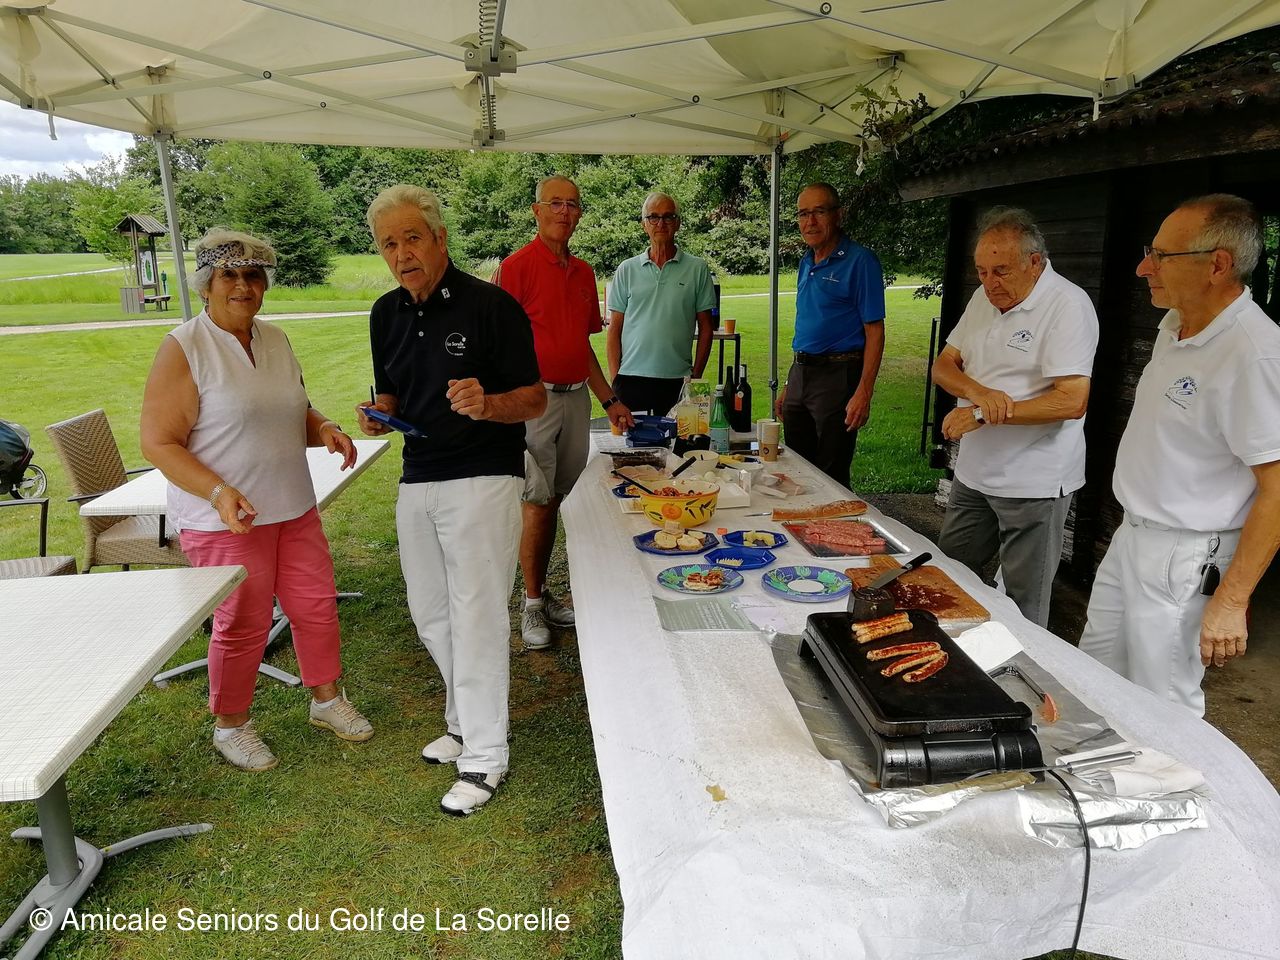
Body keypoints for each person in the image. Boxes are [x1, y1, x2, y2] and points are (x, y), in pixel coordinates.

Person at [140, 228, 373, 772]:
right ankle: (231, 725)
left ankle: (326, 700)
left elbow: (294, 408)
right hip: (225, 520)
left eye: (253, 275)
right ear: (206, 284)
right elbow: (158, 442)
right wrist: (217, 491)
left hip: (292, 505)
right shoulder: (185, 348)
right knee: (242, 622)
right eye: (229, 275)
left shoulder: (275, 339)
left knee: (316, 607)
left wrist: (325, 427)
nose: (243, 286)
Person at [357, 184, 545, 815]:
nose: (402, 253)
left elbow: (534, 397)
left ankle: (486, 756)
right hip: (418, 474)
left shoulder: (491, 306)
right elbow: (391, 392)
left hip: (483, 476)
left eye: (412, 237)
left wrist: (488, 404)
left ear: (439, 238)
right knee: (430, 613)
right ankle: (464, 722)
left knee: (477, 615)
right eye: (389, 244)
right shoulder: (385, 314)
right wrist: (379, 415)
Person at [1079, 194, 1280, 716]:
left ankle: (1167, 773)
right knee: (1093, 678)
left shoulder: (1255, 353)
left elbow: (1277, 488)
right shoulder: (1175, 327)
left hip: (1186, 555)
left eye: (1161, 256)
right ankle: (1090, 767)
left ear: (1217, 265)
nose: (1144, 267)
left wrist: (1231, 600)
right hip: (1133, 534)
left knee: (1163, 706)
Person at [931, 207, 1099, 628]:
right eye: (982, 271)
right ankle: (950, 654)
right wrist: (979, 394)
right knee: (948, 578)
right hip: (975, 473)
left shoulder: (1067, 305)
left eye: (1001, 271)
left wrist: (982, 415)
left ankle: (1020, 669)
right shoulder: (983, 298)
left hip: (1033, 481)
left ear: (1034, 262)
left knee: (1025, 603)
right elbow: (944, 365)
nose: (990, 283)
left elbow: (1071, 401)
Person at [495, 175, 635, 650]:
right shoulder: (515, 267)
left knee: (559, 499)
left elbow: (581, 346)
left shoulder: (584, 272)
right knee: (536, 502)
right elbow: (497, 345)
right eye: (555, 203)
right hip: (535, 402)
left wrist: (610, 400)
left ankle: (544, 593)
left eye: (572, 204)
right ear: (536, 211)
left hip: (576, 400)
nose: (564, 212)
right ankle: (531, 603)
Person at [777, 182, 886, 489]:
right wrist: (789, 384)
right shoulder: (806, 261)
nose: (810, 221)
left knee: (831, 474)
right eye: (803, 214)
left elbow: (875, 330)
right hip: (801, 374)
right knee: (797, 470)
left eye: (819, 212)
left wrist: (864, 392)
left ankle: (837, 520)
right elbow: (807, 325)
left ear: (838, 215)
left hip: (838, 375)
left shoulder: (860, 261)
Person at [607, 192, 715, 416]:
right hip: (631, 380)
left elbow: (706, 328)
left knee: (683, 439)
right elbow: (615, 329)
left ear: (678, 223)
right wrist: (615, 379)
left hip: (679, 381)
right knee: (631, 440)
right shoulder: (626, 269)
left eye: (668, 217)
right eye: (653, 217)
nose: (661, 223)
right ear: (644, 225)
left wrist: (695, 377)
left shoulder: (697, 269)